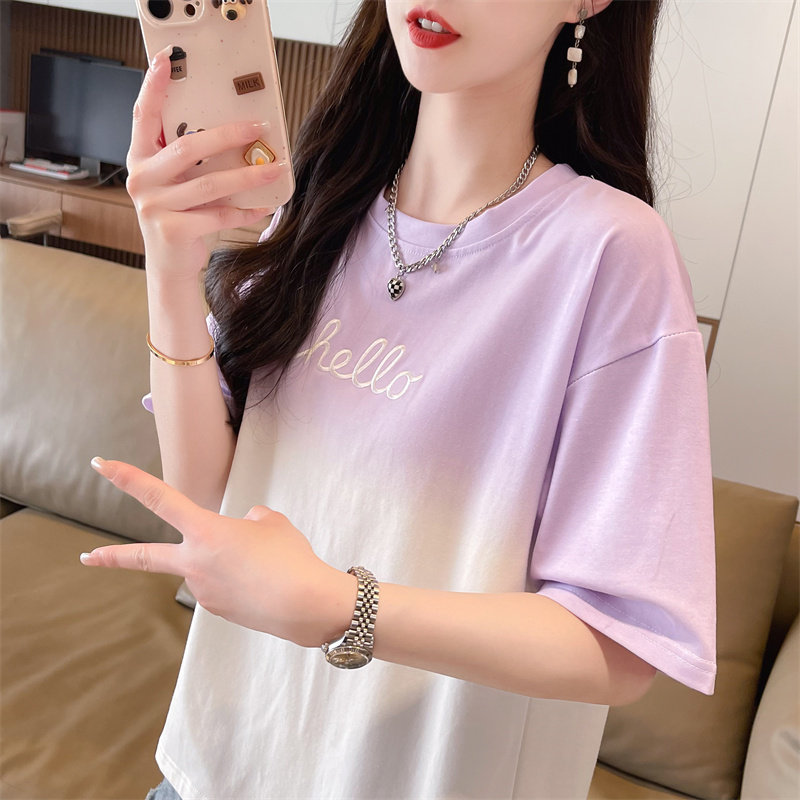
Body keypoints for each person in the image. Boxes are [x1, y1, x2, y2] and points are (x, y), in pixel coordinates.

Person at [80, 1, 717, 798]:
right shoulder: (324, 197)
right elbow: (213, 497)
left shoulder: (611, 253)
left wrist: (341, 606)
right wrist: (171, 271)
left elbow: (619, 648)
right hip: (212, 769)